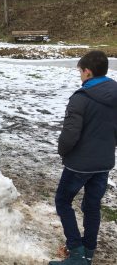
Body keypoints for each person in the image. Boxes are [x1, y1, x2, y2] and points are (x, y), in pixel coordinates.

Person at [50, 51, 117, 265]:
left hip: (80, 164)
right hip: (104, 162)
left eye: (80, 71)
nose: (80, 75)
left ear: (88, 72)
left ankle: (77, 253)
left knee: (62, 201)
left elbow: (70, 135)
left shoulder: (81, 98)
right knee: (92, 205)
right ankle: (89, 252)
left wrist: (63, 151)